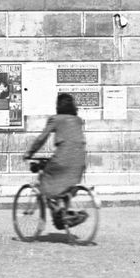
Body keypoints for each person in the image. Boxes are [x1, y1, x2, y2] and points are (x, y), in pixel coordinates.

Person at [22, 91, 88, 229]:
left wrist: (29, 153)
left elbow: (42, 138)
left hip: (63, 159)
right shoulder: (78, 120)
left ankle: (59, 213)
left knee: (46, 179)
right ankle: (63, 213)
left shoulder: (56, 119)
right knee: (65, 186)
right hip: (80, 161)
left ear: (58, 106)